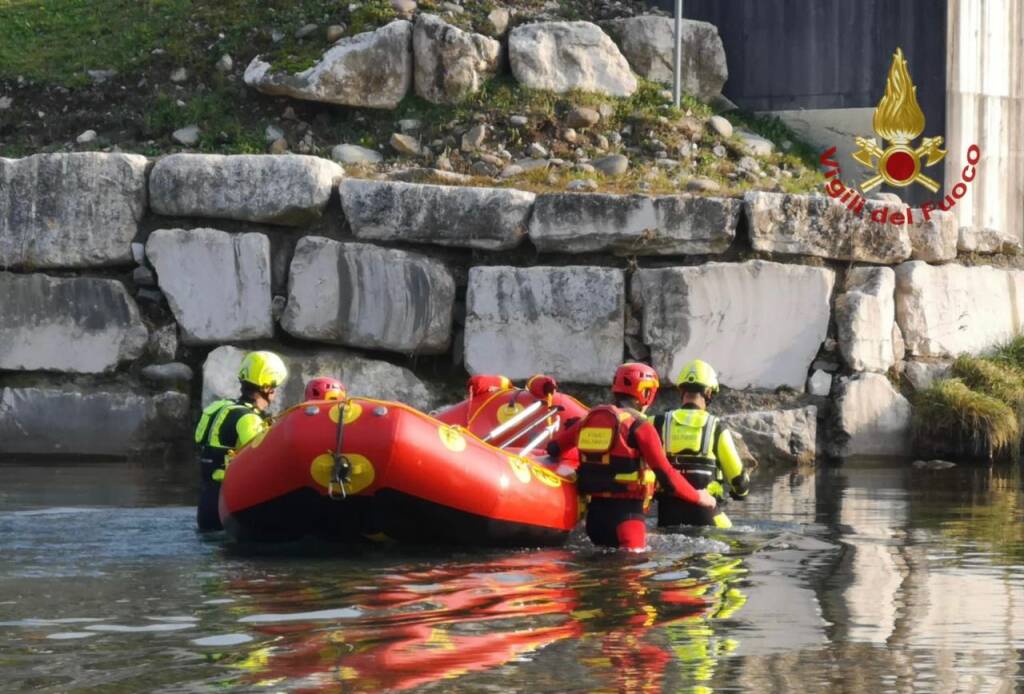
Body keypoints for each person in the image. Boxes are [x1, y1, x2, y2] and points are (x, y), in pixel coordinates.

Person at [547, 362, 716, 551]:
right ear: (646, 393)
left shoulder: (587, 421)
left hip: (594, 522)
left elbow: (553, 448)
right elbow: (667, 477)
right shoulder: (640, 427)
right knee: (632, 571)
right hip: (627, 521)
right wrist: (699, 497)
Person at [193, 350, 288, 531]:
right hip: (228, 508)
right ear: (267, 388)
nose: (275, 391)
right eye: (276, 386)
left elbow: (199, 439)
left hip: (206, 505)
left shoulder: (217, 407)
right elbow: (263, 463)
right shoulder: (249, 419)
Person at [653, 359, 749, 529]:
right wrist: (740, 492)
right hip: (706, 512)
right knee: (737, 550)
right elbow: (739, 479)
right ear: (708, 392)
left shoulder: (657, 423)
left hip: (667, 516)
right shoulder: (717, 428)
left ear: (681, 390)